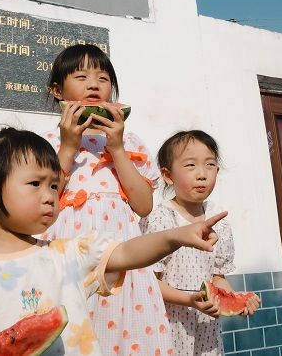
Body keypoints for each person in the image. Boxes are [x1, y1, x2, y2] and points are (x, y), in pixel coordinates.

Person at [0, 127, 227, 356]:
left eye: (54, 185)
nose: (50, 197)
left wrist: (176, 236)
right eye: (35, 184)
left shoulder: (68, 254)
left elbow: (127, 251)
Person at [40, 44, 174, 355]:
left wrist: (116, 149)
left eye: (103, 77)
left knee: (129, 335)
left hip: (125, 255)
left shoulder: (129, 141)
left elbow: (143, 206)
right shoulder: (47, 143)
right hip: (69, 256)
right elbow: (45, 199)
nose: (94, 84)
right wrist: (69, 146)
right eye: (82, 75)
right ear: (57, 90)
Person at [140, 130, 260, 356]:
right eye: (190, 165)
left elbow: (217, 278)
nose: (202, 174)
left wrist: (236, 300)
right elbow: (148, 282)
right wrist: (189, 300)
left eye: (210, 165)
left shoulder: (220, 224)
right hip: (168, 323)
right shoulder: (159, 219)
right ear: (167, 175)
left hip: (207, 326)